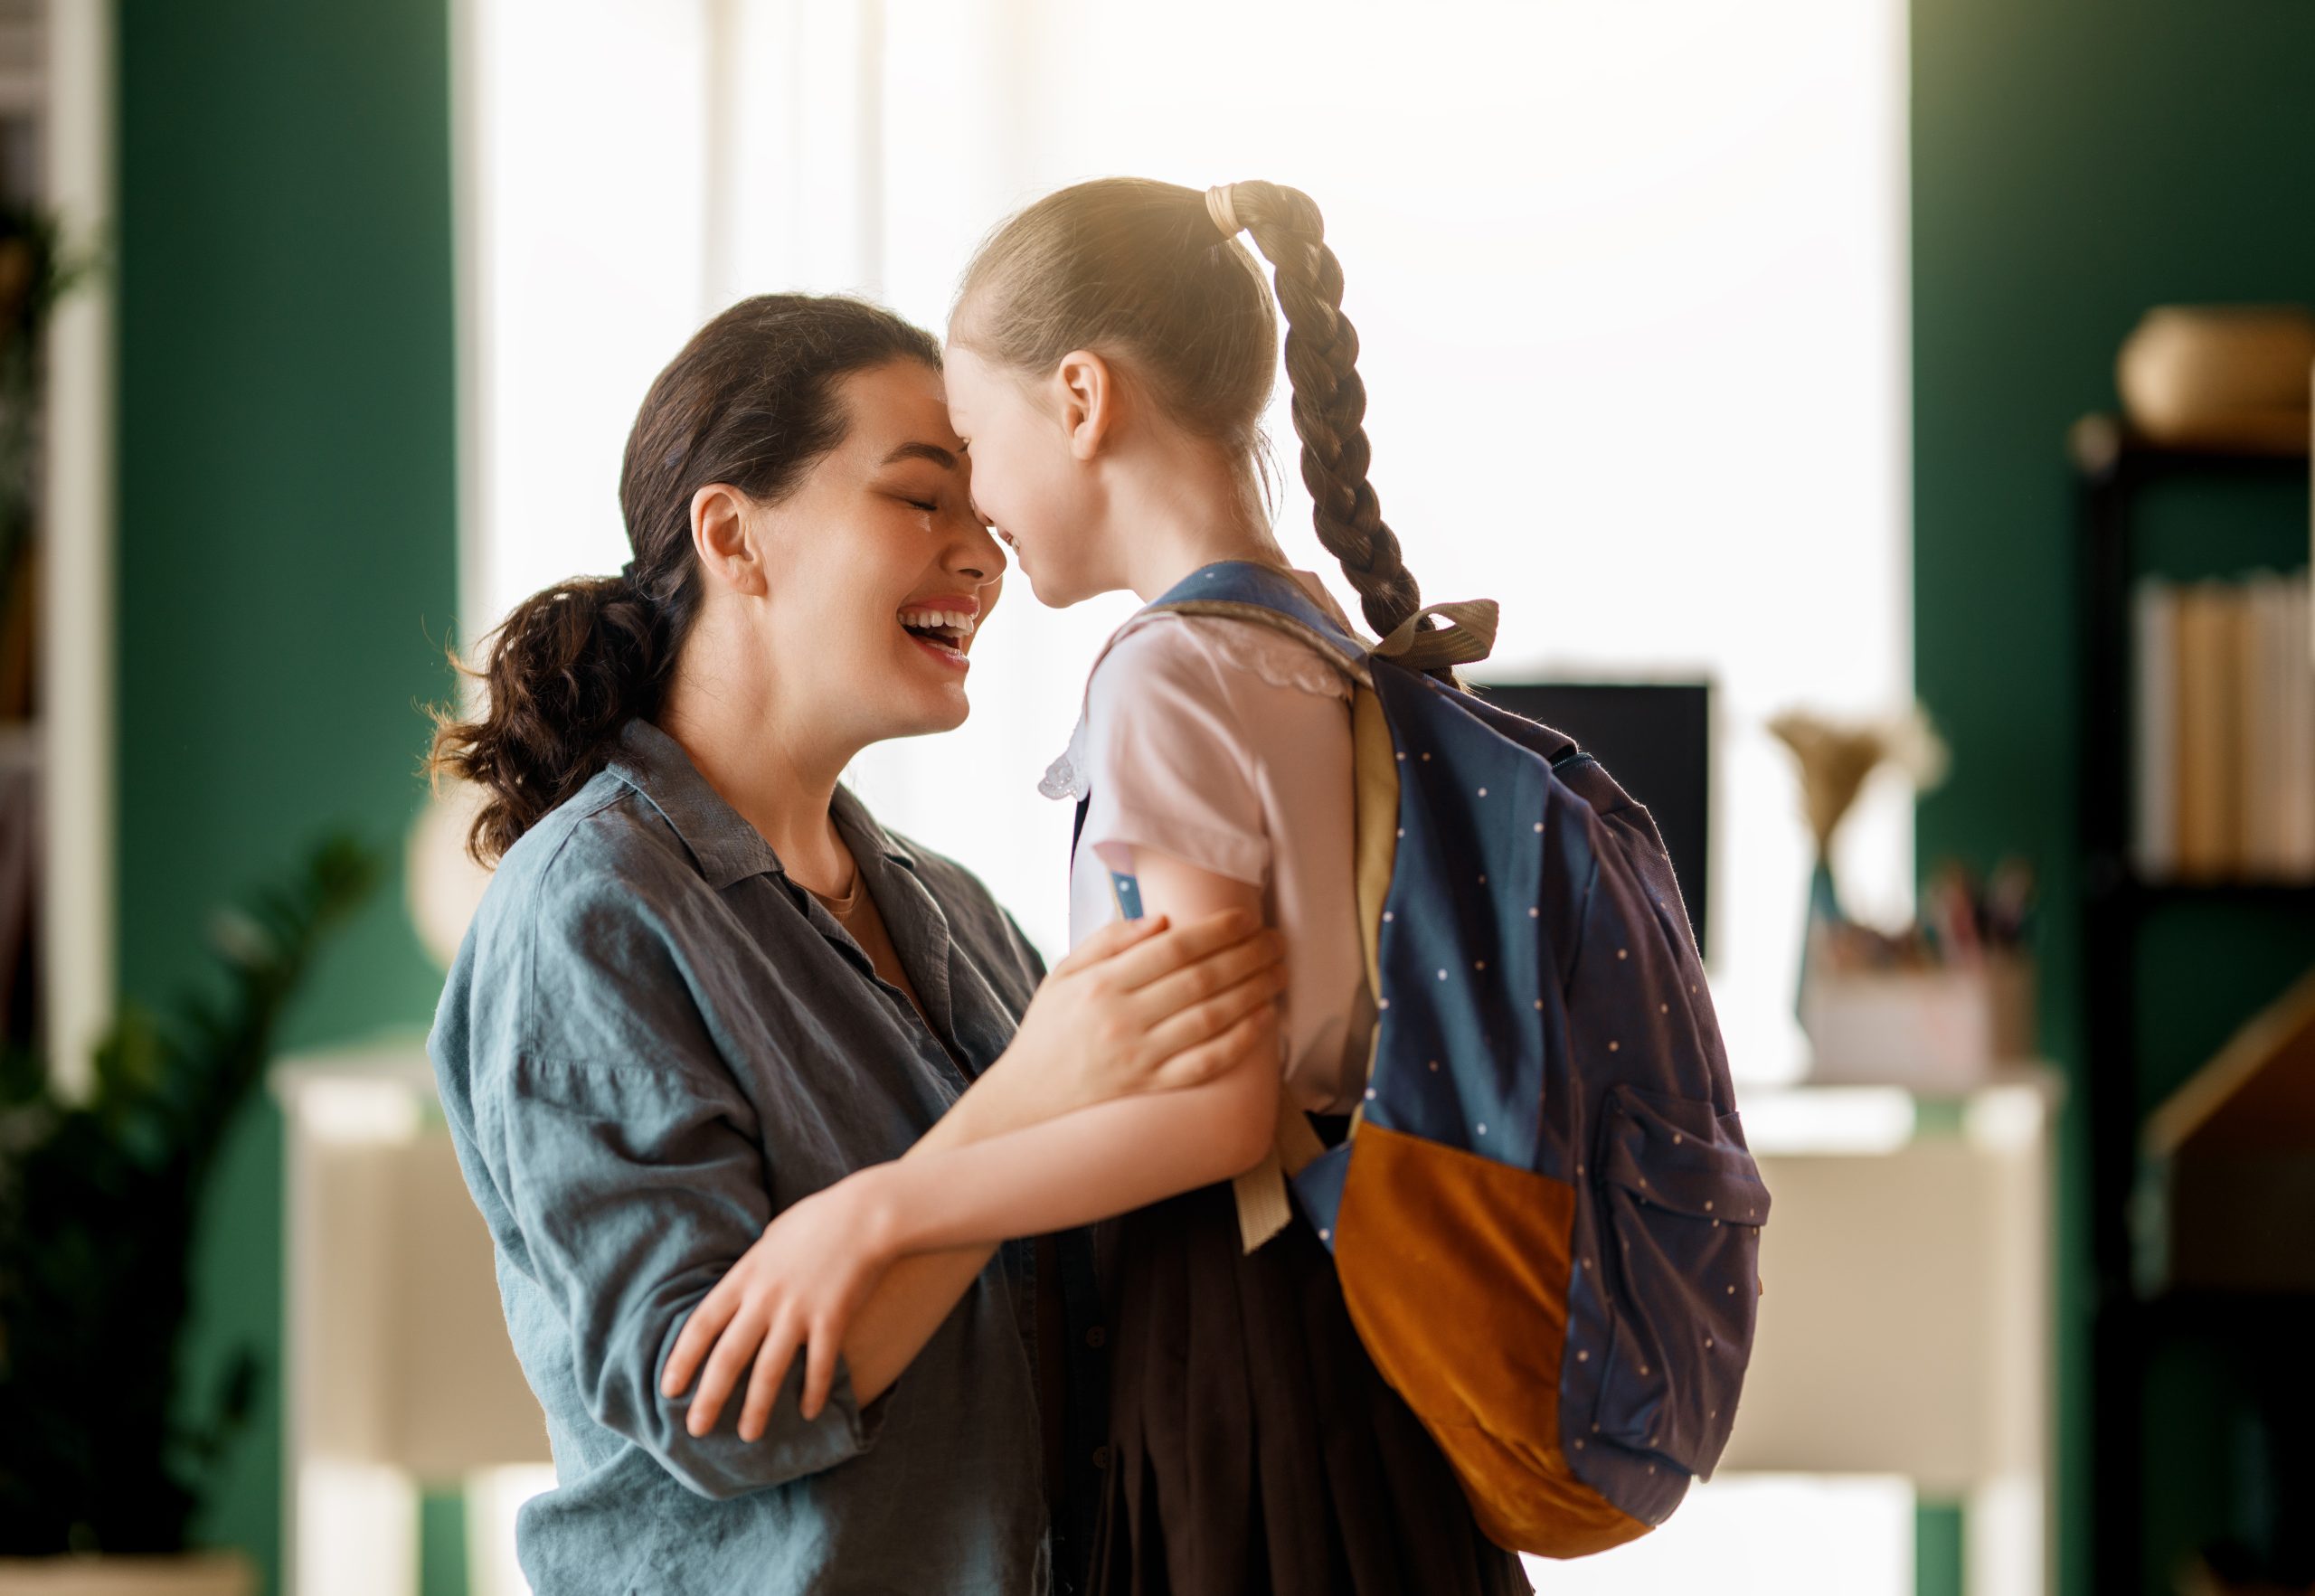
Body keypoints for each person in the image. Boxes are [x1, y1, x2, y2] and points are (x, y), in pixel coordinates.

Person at [664, 183, 1533, 1595]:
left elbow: (1218, 1106)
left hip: (1246, 1366)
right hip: (1368, 1358)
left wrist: (880, 1212)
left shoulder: (1168, 670)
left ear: (1080, 398)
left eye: (976, 445)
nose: (988, 524)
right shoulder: (1312, 635)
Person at [426, 292, 1288, 1596]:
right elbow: (718, 1404)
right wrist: (1029, 1097)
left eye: (982, 511)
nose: (982, 557)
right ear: (735, 535)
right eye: (917, 498)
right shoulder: (585, 914)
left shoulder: (953, 914)